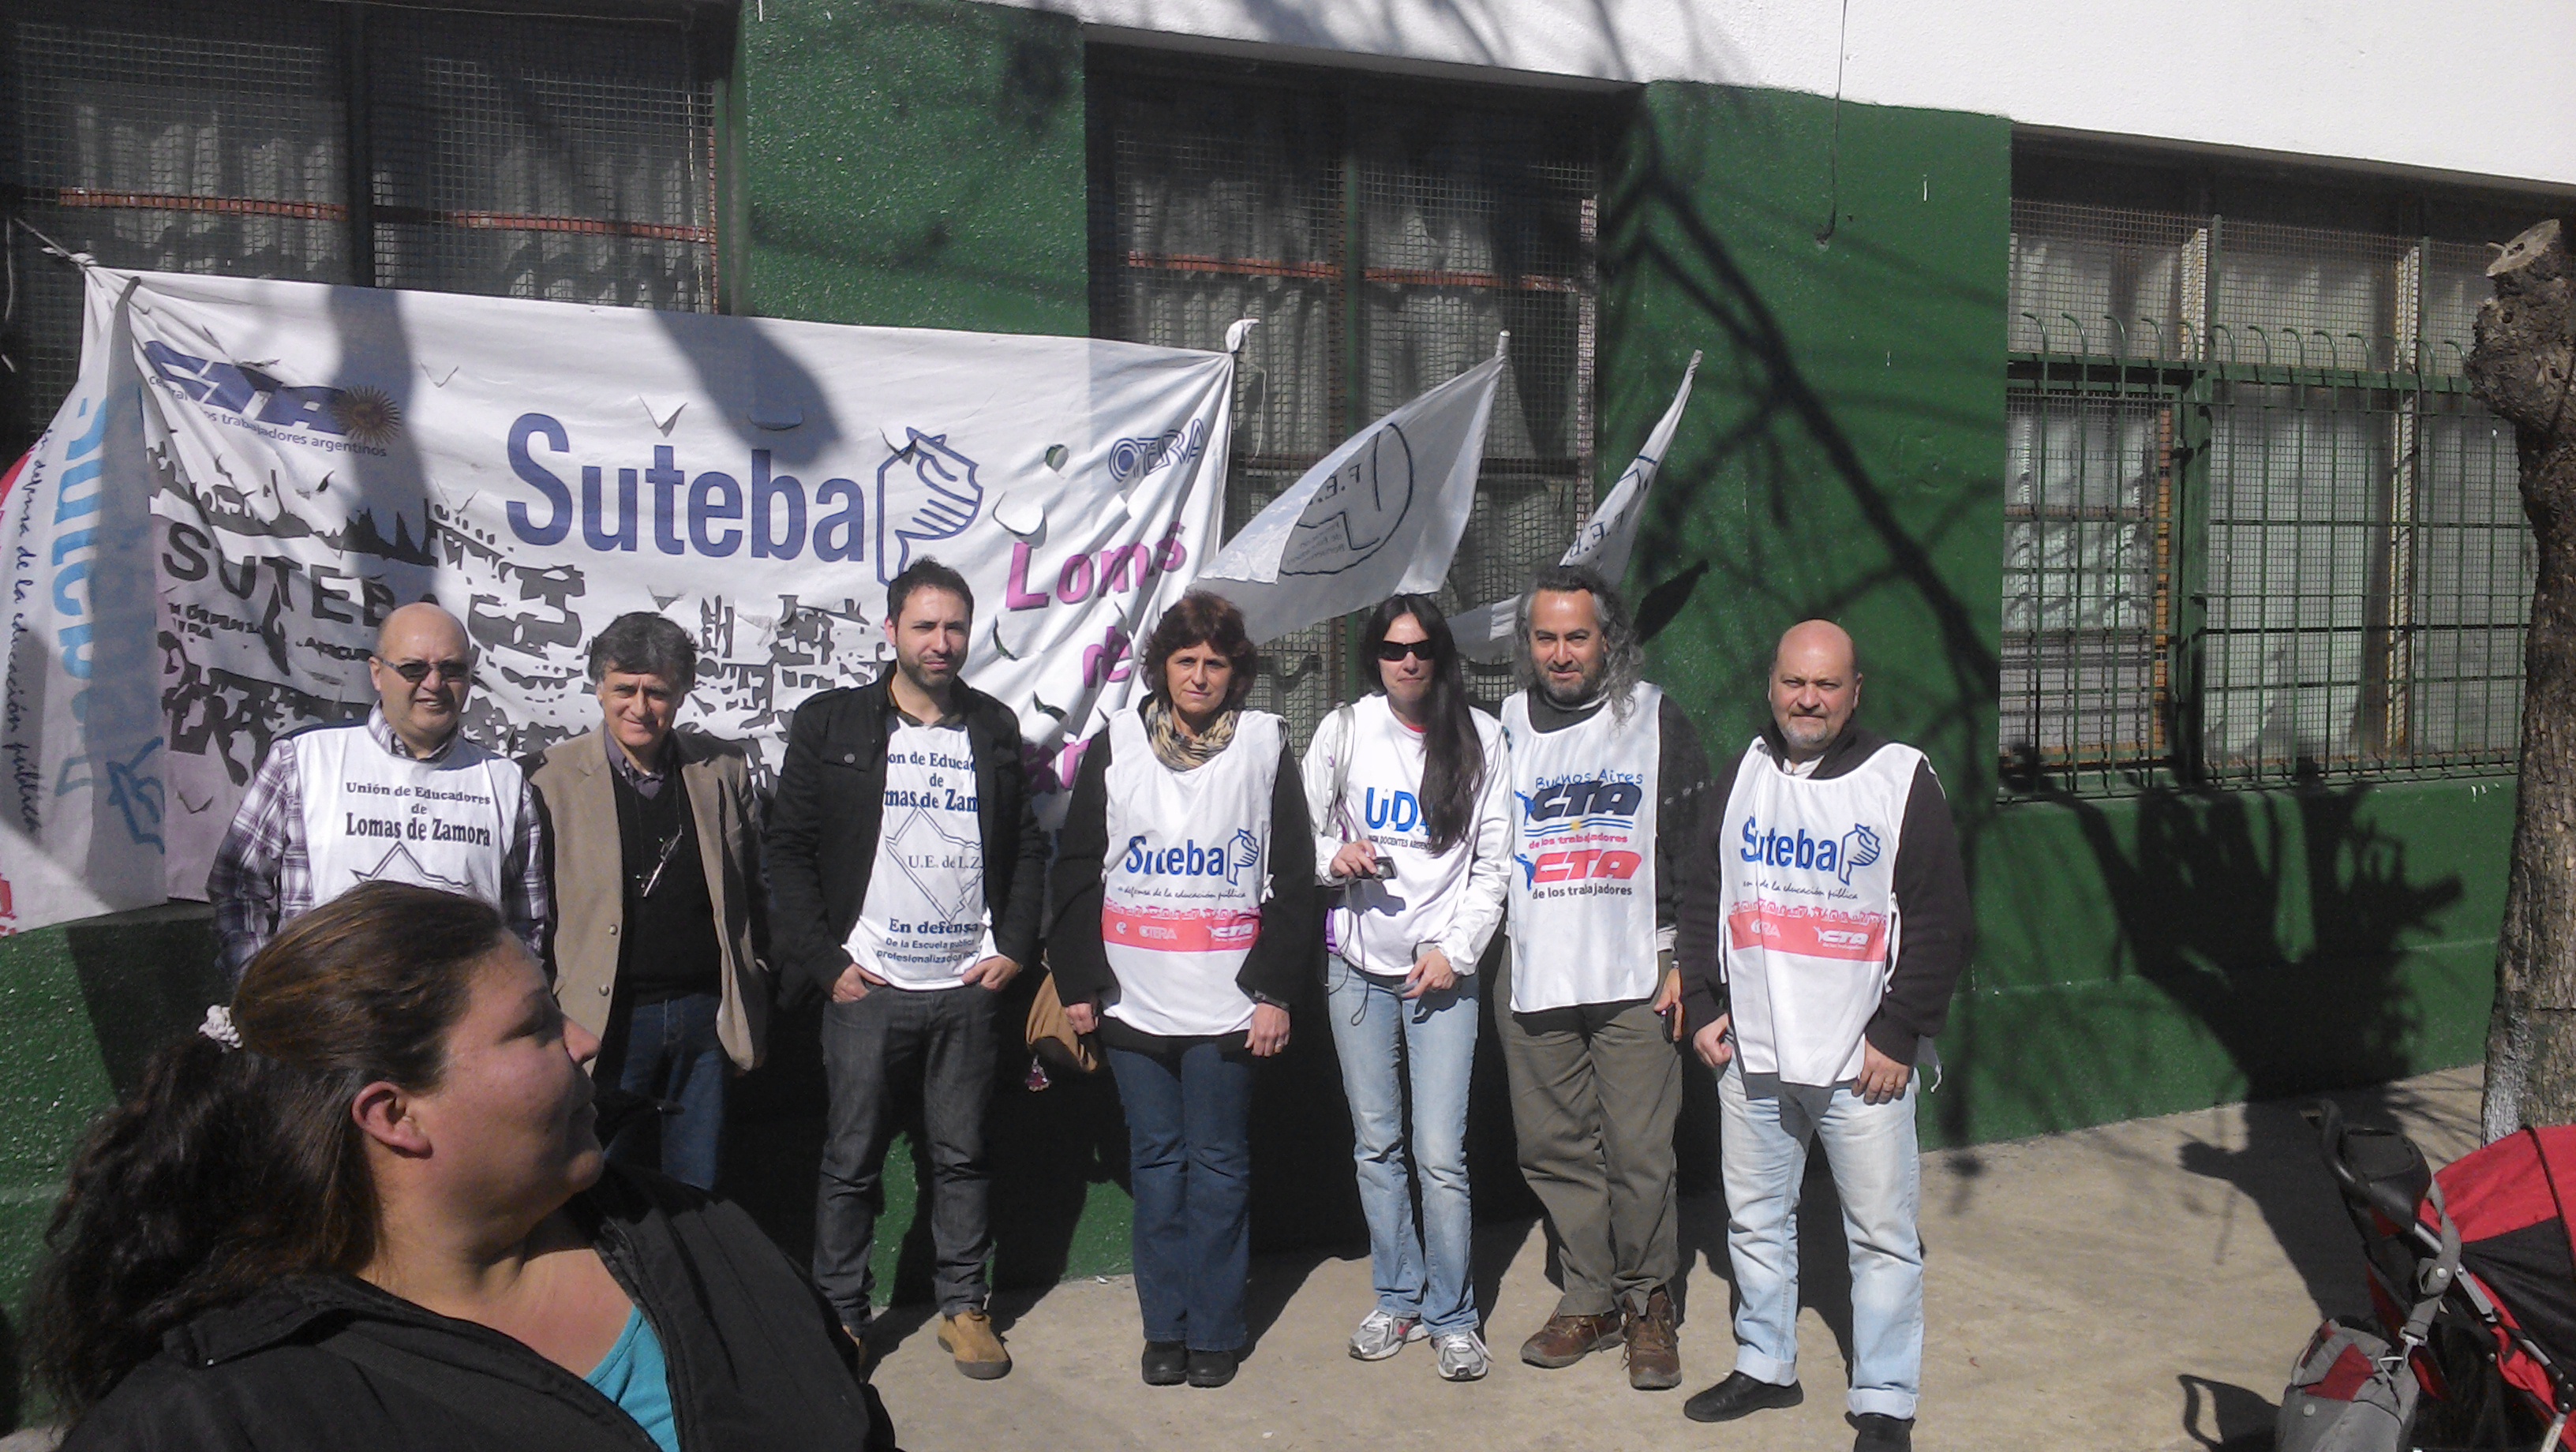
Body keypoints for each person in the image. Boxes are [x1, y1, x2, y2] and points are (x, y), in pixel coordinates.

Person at [26, 881, 894, 1452]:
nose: (585, 1042)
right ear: (395, 1115)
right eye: (536, 1026)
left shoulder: (710, 1240)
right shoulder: (225, 1412)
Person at [1678, 620, 1971, 1452]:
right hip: (1754, 1055)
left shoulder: (1899, 777)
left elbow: (1942, 922)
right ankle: (1766, 1364)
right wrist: (1704, 1002)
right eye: (1794, 682)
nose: (1808, 699)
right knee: (1754, 1221)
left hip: (1861, 1064)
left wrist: (1900, 1031)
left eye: (1827, 684)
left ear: (1855, 691)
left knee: (1881, 1239)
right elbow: (1703, 892)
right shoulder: (1745, 769)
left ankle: (1884, 1399)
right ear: (1772, 684)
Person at [764, 558, 1046, 1381]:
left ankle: (963, 1306)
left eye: (954, 627)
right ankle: (842, 1316)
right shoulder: (832, 724)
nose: (941, 642)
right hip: (868, 990)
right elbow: (787, 851)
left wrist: (1013, 947)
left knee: (963, 1156)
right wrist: (827, 963)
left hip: (965, 990)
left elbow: (1027, 846)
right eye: (924, 626)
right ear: (891, 631)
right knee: (851, 1161)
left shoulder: (993, 726)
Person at [1048, 589, 1320, 1390]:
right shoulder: (1117, 743)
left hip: (1230, 1002)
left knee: (1220, 1164)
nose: (1199, 676)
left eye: (1216, 662)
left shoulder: (1265, 744)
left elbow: (1293, 876)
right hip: (1133, 999)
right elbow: (1077, 864)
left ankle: (1217, 1330)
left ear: (1237, 672)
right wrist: (1079, 981)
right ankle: (1164, 1328)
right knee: (1158, 1163)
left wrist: (1275, 993)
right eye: (1185, 659)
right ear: (1161, 666)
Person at [1496, 563, 1713, 1392]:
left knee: (1639, 1148)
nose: (1561, 653)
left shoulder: (1653, 717)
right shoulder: (1503, 725)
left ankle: (1648, 1301)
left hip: (1637, 966)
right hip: (1534, 963)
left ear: (1608, 640)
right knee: (1551, 1145)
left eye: (1577, 637)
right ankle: (1588, 1298)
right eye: (1546, 637)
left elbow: (1697, 847)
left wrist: (1687, 960)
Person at [1301, 595, 1510, 1381]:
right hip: (1355, 970)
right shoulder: (1345, 730)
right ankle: (1399, 1298)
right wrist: (1332, 859)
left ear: (1441, 654)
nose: (1408, 661)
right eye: (1393, 650)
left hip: (1440, 976)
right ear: (1375, 658)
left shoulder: (1483, 737)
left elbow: (1494, 865)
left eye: (1421, 648)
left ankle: (1455, 1317)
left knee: (1439, 1154)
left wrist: (1456, 952)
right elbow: (1299, 830)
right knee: (1377, 1145)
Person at [526, 613, 769, 1192]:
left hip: (704, 1019)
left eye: (657, 692)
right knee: (596, 1182)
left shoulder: (722, 770)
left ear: (681, 694)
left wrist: (755, 975)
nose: (640, 707)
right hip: (603, 1019)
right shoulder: (548, 779)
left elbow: (754, 889)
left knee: (696, 1187)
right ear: (598, 689)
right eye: (624, 689)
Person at [207, 601, 545, 979]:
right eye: (414, 669)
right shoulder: (303, 760)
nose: (434, 684)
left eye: (451, 670)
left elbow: (526, 921)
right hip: (329, 1003)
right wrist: (258, 984)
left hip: (456, 1009)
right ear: (377, 673)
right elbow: (237, 882)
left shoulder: (504, 781)